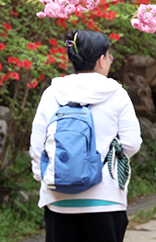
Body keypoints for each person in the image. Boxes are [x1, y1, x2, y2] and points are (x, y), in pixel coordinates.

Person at [30, 30, 142, 242]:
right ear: (101, 60)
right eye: (109, 56)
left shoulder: (52, 92)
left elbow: (38, 144)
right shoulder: (116, 94)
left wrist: (46, 178)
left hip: (58, 199)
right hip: (106, 199)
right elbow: (132, 143)